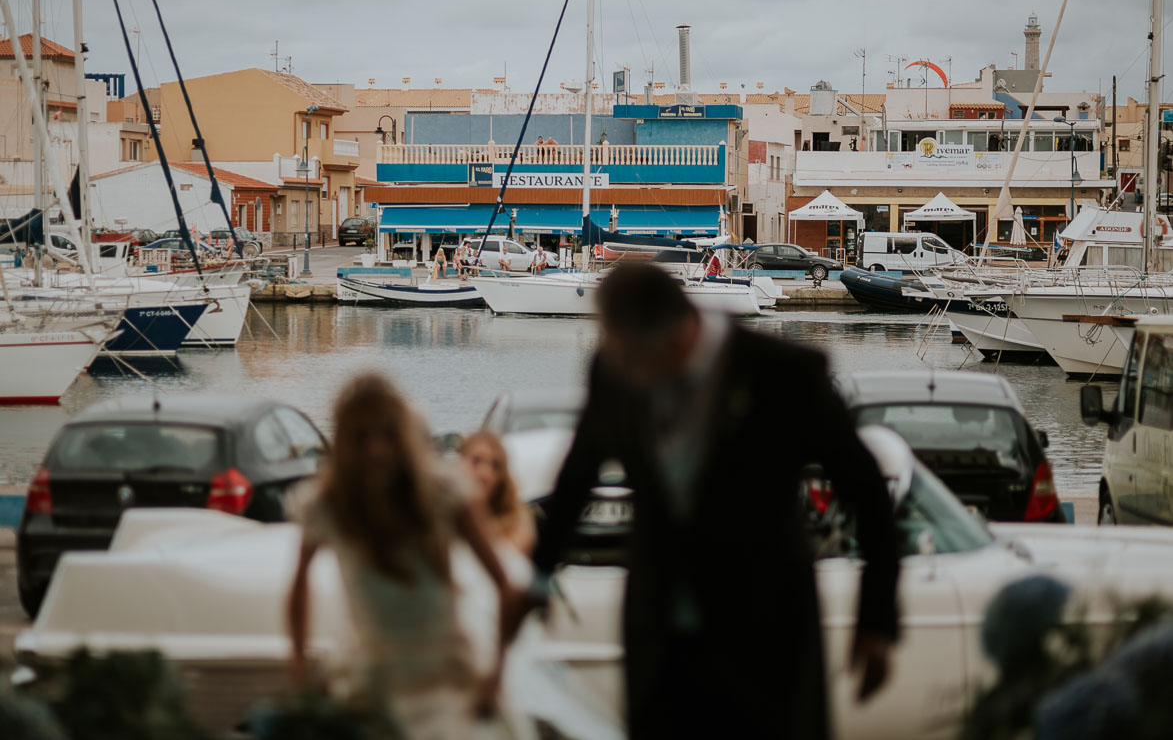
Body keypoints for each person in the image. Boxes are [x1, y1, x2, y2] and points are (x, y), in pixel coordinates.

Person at [514, 263, 901, 739]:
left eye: (632, 360)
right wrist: (536, 577)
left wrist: (877, 621)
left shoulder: (786, 374)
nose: (625, 374)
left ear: (676, 335)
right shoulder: (615, 366)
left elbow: (866, 491)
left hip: (765, 631)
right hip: (658, 632)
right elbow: (578, 474)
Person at [286, 374, 521, 737]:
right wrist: (300, 671)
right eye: (361, 436)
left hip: (447, 685)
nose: (376, 449)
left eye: (387, 433)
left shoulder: (445, 494)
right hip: (371, 686)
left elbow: (506, 586)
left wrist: (497, 676)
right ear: (345, 441)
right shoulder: (328, 505)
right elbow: (298, 586)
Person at [460, 432, 535, 555]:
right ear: (460, 462)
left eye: (495, 466)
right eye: (476, 461)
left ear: (502, 476)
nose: (485, 473)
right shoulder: (439, 514)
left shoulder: (516, 520)